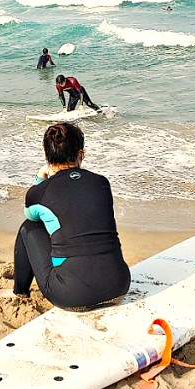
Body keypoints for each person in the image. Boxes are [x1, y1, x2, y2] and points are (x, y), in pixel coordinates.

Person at [13, 122, 130, 309]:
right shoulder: (101, 183)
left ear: (46, 155)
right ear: (80, 154)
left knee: (28, 227)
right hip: (119, 285)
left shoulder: (39, 192)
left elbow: (32, 216)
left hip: (71, 296)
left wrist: (41, 177)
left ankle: (20, 292)